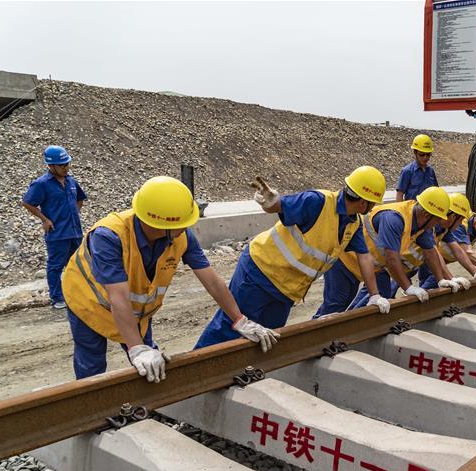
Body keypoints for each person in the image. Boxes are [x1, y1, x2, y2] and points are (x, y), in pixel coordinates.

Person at [62, 177, 276, 382]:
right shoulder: (109, 236)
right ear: (160, 224)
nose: (186, 227)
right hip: (89, 303)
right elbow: (118, 296)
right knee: (92, 365)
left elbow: (212, 281)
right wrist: (136, 349)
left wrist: (239, 320)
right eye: (182, 223)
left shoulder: (181, 236)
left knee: (151, 367)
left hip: (134, 311)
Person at [196, 166, 390, 347]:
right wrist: (270, 203)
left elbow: (364, 256)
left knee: (267, 338)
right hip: (260, 272)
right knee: (232, 326)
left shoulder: (353, 223)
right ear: (363, 202)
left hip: (287, 289)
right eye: (373, 203)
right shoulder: (318, 201)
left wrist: (374, 295)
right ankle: (198, 363)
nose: (373, 207)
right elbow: (277, 206)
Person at [316, 186, 459, 316]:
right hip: (345, 262)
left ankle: (350, 327)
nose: (438, 223)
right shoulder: (394, 218)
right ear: (427, 215)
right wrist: (408, 288)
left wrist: (441, 280)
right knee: (335, 306)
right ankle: (316, 332)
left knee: (362, 301)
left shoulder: (422, 225)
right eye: (437, 219)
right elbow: (391, 258)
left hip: (365, 267)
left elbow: (430, 252)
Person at [22, 145, 87, 309]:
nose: (66, 167)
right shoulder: (42, 184)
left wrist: (74, 214)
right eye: (62, 165)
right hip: (57, 233)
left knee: (77, 265)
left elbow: (80, 199)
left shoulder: (71, 181)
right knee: (56, 266)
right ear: (51, 166)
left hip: (75, 231)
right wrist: (45, 220)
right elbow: (27, 202)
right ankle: (57, 298)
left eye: (67, 164)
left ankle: (77, 294)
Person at [396, 134, 438, 202]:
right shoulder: (407, 171)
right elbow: (399, 194)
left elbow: (436, 192)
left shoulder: (431, 171)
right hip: (412, 208)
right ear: (415, 152)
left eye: (428, 154)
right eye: (422, 154)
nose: (425, 157)